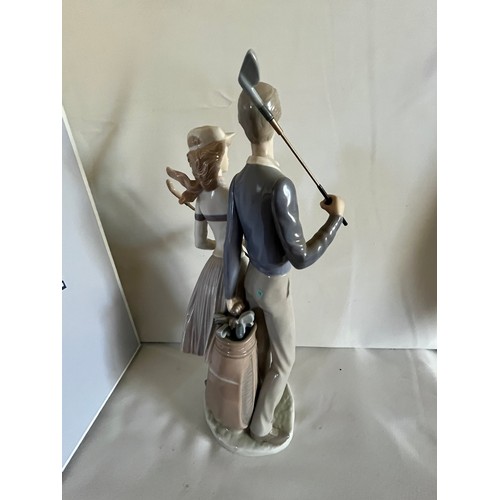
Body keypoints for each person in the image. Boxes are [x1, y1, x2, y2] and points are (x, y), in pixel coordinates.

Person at [224, 82, 345, 446]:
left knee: (261, 348)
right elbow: (301, 257)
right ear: (277, 125)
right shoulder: (281, 185)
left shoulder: (238, 181)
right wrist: (334, 220)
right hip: (275, 288)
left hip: (251, 281)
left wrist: (232, 294)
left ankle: (251, 402)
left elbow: (231, 246)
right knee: (283, 361)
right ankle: (260, 426)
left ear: (244, 126)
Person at [167, 125, 235, 357]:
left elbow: (200, 242)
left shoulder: (201, 200)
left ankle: (218, 361)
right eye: (227, 151)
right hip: (236, 266)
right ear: (219, 156)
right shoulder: (232, 195)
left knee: (211, 316)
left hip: (213, 267)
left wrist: (219, 245)